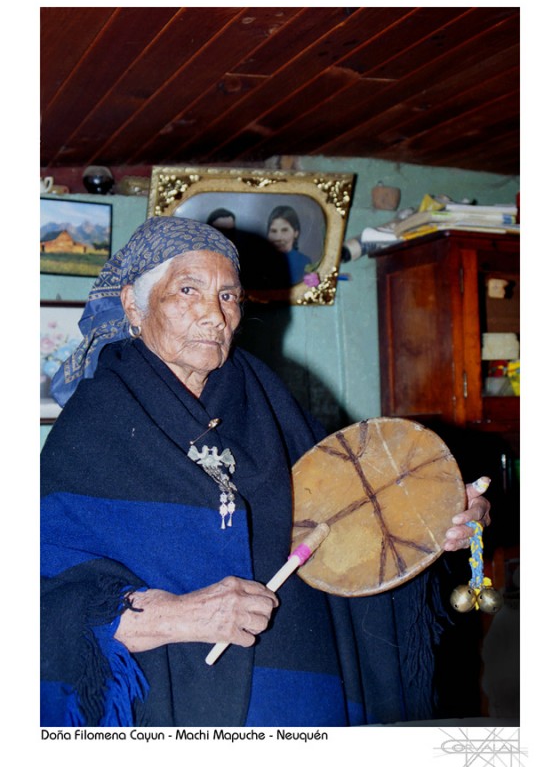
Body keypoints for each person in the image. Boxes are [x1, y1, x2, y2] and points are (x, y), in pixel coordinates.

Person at [41, 216, 491, 728]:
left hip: (298, 694)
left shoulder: (267, 398)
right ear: (132, 305)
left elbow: (346, 521)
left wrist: (434, 520)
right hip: (162, 704)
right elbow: (39, 590)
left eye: (229, 296)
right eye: (188, 290)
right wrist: (171, 616)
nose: (214, 315)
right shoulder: (92, 423)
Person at [265, 205, 312, 285]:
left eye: (284, 230)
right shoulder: (260, 261)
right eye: (273, 231)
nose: (278, 238)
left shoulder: (304, 262)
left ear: (296, 233)